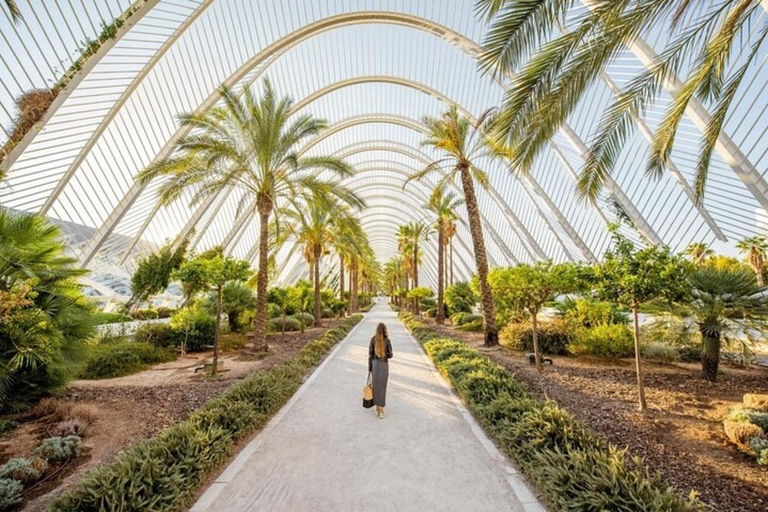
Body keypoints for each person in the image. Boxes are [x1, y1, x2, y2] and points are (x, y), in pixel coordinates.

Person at [368, 322, 393, 419]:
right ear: (385, 330)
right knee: (382, 387)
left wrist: (369, 368)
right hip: (384, 365)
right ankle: (381, 410)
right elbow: (390, 355)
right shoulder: (387, 340)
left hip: (375, 365)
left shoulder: (373, 340)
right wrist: (387, 352)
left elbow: (370, 355)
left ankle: (377, 407)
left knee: (376, 386)